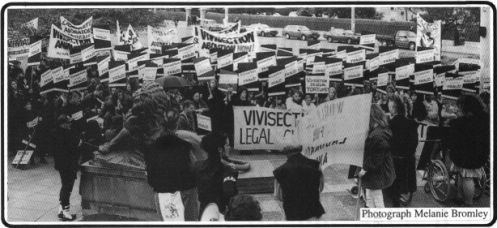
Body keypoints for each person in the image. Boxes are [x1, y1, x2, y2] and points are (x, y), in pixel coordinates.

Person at [446, 94, 490, 207]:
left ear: (466, 107)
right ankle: (460, 196)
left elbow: (453, 137)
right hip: (480, 154)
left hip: (467, 156)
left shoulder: (462, 122)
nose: (458, 109)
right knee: (463, 175)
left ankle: (468, 203)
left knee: (467, 177)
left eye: (460, 107)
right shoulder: (485, 117)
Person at [358, 104, 395, 208]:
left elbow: (375, 160)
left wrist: (364, 170)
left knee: (377, 199)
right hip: (377, 173)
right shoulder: (380, 131)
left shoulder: (377, 136)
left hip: (377, 173)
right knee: (370, 196)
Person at [273, 145, 325, 220]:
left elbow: (279, 196)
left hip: (292, 215)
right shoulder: (315, 165)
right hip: (313, 214)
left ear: (285, 151)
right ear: (301, 148)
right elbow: (320, 187)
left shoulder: (280, 171)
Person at [385, 95, 418, 207]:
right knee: (402, 186)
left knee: (394, 190)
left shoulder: (390, 124)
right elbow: (414, 143)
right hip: (407, 161)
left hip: (394, 161)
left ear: (394, 109)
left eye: (390, 107)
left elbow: (387, 143)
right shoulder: (411, 124)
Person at [196, 132, 239, 216]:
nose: (229, 148)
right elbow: (230, 193)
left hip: (203, 215)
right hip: (220, 215)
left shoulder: (198, 166)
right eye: (227, 145)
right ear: (220, 149)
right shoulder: (228, 170)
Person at [52, 114, 80, 221]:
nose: (71, 124)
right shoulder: (67, 135)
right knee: (67, 187)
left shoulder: (54, 133)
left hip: (60, 164)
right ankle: (66, 213)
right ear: (63, 124)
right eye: (69, 123)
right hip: (68, 164)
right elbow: (72, 148)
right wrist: (78, 143)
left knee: (64, 185)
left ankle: (61, 209)